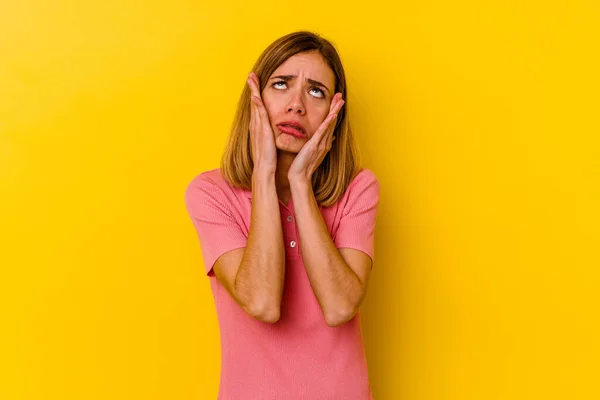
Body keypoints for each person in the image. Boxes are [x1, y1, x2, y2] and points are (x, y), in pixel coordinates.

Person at [184, 31, 380, 400]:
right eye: (281, 84)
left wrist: (300, 183)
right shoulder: (211, 194)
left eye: (316, 91)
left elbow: (340, 307)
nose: (297, 105)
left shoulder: (358, 190)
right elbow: (262, 302)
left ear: (334, 117)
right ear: (254, 99)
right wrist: (263, 176)